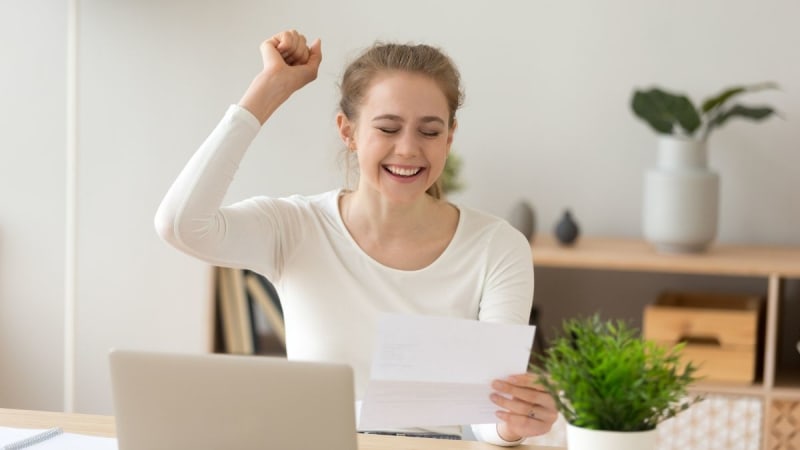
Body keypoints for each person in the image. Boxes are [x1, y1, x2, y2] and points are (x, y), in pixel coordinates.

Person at [155, 29, 557, 445]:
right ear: (347, 132)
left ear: (450, 137)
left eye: (430, 132)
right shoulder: (295, 226)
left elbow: (485, 416)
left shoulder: (498, 247)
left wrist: (512, 423)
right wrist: (268, 90)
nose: (407, 149)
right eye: (387, 128)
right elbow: (181, 225)